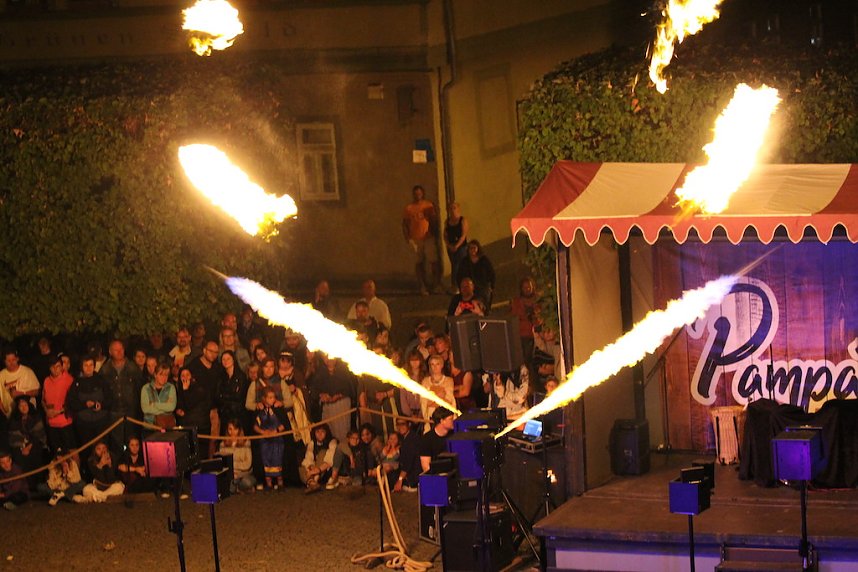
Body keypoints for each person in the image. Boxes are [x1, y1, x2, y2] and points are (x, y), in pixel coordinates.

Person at [66, 355, 112, 463]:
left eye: (91, 365)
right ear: (81, 367)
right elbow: (71, 402)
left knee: (103, 448)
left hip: (101, 423)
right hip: (84, 425)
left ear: (94, 366)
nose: (88, 368)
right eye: (86, 365)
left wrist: (101, 405)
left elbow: (110, 398)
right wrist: (84, 404)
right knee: (87, 451)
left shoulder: (101, 380)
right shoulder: (76, 383)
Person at [402, 185, 442, 295]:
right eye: (415, 194)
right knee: (418, 263)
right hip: (415, 239)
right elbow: (405, 224)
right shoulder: (409, 208)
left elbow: (434, 221)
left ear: (422, 193)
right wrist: (408, 238)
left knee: (433, 261)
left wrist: (435, 235)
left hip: (428, 238)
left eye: (419, 193)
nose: (417, 195)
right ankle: (422, 286)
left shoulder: (428, 205)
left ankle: (436, 285)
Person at [7, 396, 48, 489]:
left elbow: (39, 435)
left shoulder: (35, 416)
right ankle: (26, 486)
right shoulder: (14, 420)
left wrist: (29, 447)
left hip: (35, 443)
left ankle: (39, 485)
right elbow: (14, 437)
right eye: (21, 406)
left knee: (36, 454)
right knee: (18, 457)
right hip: (20, 446)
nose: (24, 408)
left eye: (25, 405)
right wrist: (22, 447)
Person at [42, 353, 77, 455]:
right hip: (51, 423)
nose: (55, 369)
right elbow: (43, 400)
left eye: (58, 366)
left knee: (72, 451)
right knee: (58, 453)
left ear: (62, 367)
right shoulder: (46, 380)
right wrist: (46, 411)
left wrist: (58, 412)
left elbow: (74, 402)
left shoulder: (69, 380)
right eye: (52, 367)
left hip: (65, 422)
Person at [254, 388, 285, 490]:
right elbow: (255, 425)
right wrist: (263, 432)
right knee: (266, 460)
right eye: (270, 397)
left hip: (277, 440)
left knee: (277, 459)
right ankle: (269, 483)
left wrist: (275, 431)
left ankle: (280, 482)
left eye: (274, 397)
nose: (272, 399)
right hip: (265, 441)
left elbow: (284, 424)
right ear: (264, 398)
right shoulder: (260, 411)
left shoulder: (278, 409)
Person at [300, 423, 342, 493]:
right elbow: (309, 457)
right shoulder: (312, 443)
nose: (320, 434)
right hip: (314, 470)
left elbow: (329, 459)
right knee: (301, 468)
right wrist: (312, 468)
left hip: (324, 470)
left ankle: (313, 481)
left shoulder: (332, 442)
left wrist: (318, 470)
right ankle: (313, 483)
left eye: (322, 432)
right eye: (317, 432)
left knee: (323, 452)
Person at [456, 240, 496, 310]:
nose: (472, 250)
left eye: (474, 248)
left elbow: (491, 273)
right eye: (470, 248)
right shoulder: (465, 261)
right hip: (469, 286)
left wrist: (492, 286)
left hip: (483, 285)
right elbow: (459, 275)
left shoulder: (484, 260)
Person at [0, 347, 40, 418]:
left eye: (13, 360)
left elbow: (37, 392)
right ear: (4, 361)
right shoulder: (1, 375)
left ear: (17, 359)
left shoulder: (27, 372)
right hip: (10, 416)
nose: (11, 363)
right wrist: (4, 414)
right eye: (8, 361)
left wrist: (21, 393)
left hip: (29, 416)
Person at [218, 419, 255, 493]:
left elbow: (248, 464)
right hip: (230, 474)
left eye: (235, 429)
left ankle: (238, 487)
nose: (232, 432)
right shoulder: (223, 444)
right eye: (230, 429)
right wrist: (232, 472)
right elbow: (223, 463)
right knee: (226, 486)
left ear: (239, 430)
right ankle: (237, 488)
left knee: (247, 483)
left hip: (244, 474)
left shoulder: (246, 442)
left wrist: (236, 472)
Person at [420, 355, 455, 431]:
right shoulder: (425, 382)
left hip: (445, 417)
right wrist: (439, 395)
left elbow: (448, 401)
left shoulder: (448, 381)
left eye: (437, 364)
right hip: (430, 418)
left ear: (442, 365)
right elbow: (425, 402)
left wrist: (432, 399)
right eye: (432, 364)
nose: (435, 367)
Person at [510, 277, 539, 364]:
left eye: (529, 287)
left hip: (538, 334)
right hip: (523, 335)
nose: (527, 289)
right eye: (525, 287)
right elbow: (514, 317)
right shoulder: (516, 302)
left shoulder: (538, 300)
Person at [140, 362, 177, 430]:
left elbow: (171, 407)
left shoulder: (171, 387)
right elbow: (145, 409)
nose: (164, 378)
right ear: (155, 375)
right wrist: (165, 409)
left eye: (166, 375)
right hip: (149, 427)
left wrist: (154, 404)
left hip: (166, 426)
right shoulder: (146, 388)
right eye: (161, 374)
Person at [443, 201, 469, 292]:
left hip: (461, 247)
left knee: (459, 265)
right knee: (454, 265)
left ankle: (459, 285)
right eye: (450, 208)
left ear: (458, 209)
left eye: (454, 208)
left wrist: (457, 246)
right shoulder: (447, 222)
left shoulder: (462, 220)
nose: (452, 210)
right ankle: (455, 285)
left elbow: (464, 235)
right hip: (451, 247)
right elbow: (445, 235)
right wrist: (449, 245)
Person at [419, 407, 455, 472]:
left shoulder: (454, 435)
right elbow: (426, 467)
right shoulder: (427, 439)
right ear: (442, 421)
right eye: (450, 419)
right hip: (436, 473)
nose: (453, 421)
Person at [393, 419, 420, 492]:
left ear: (409, 424)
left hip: (413, 477)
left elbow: (408, 462)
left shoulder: (412, 439)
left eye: (403, 424)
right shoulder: (403, 438)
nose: (400, 427)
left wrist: (400, 480)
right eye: (398, 424)